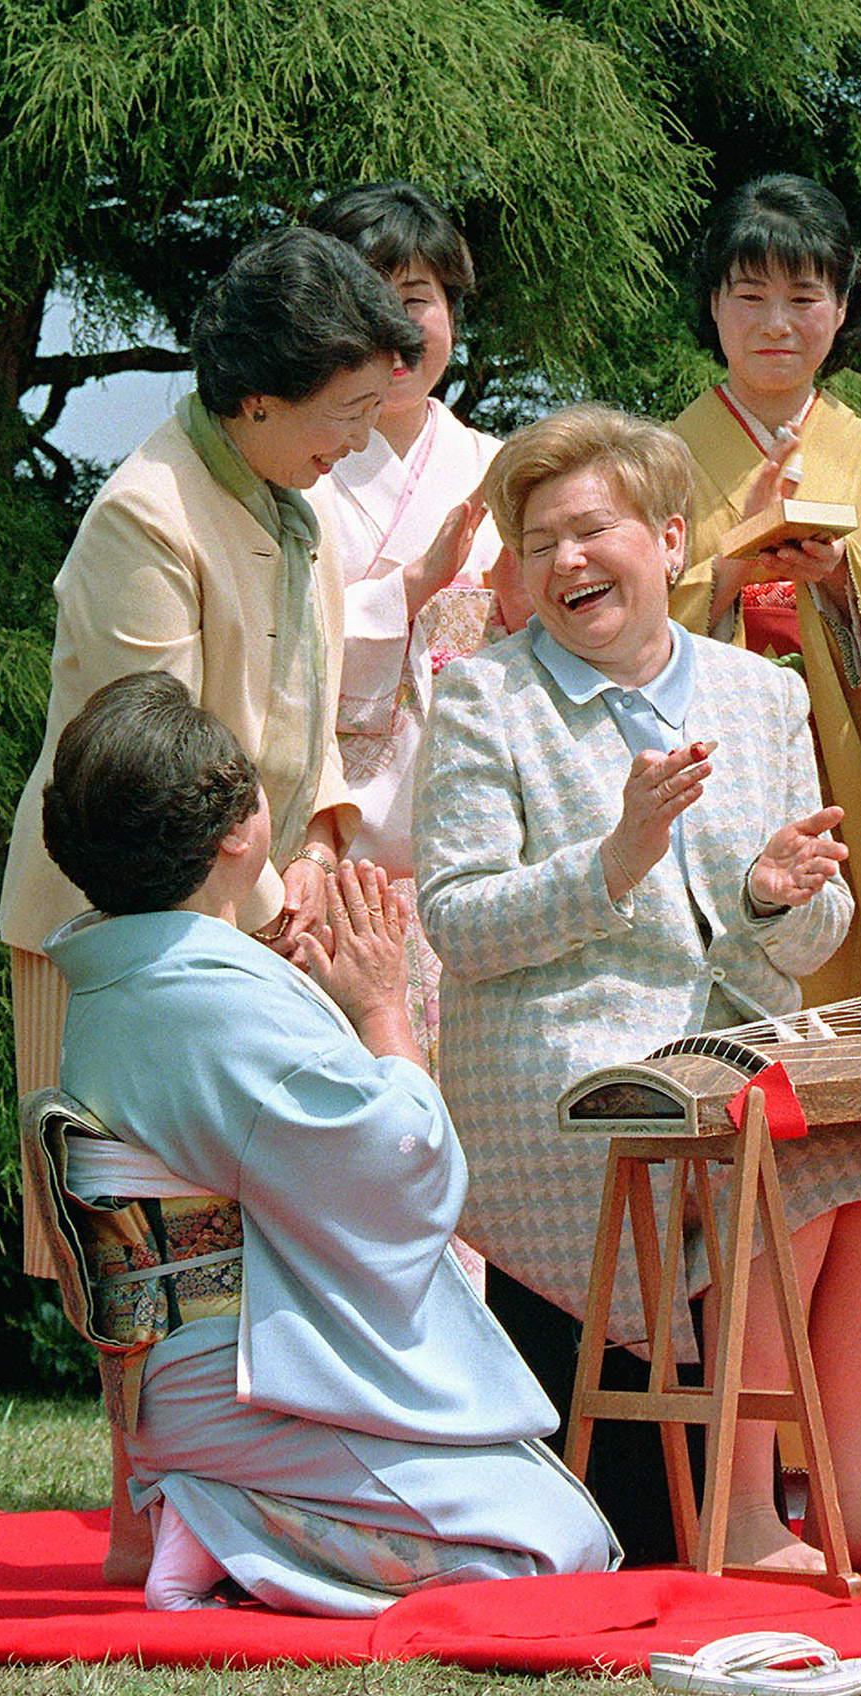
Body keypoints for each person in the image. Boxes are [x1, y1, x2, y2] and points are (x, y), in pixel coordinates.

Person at [416, 403, 861, 1576]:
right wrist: (612, 860)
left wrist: (778, 897)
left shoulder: (757, 694)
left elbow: (812, 927)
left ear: (670, 542)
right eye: (538, 542)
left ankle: (846, 1499)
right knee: (786, 1165)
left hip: (724, 1049)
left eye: (592, 529)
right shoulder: (484, 696)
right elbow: (457, 926)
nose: (566, 560)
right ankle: (743, 1510)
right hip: (557, 1067)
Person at [0, 224, 422, 1576]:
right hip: (125, 927)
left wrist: (309, 859)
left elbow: (308, 730)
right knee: (134, 1217)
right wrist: (259, 895)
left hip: (244, 906)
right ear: (256, 399)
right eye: (345, 411)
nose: (359, 439)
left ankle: (235, 1499)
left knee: (240, 1222)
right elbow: (147, 766)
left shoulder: (285, 494)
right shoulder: (149, 511)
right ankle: (146, 1509)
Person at [32, 670, 617, 1615]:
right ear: (237, 831)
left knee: (539, 1502)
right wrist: (383, 1006)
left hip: (200, 1373)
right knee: (554, 1547)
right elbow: (405, 1175)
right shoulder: (212, 1000)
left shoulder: (126, 973)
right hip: (246, 1388)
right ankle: (221, 1520)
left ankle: (206, 1504)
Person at [669, 173, 861, 1517]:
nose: (776, 320)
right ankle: (734, 1457)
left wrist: (853, 592)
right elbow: (613, 614)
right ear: (713, 303)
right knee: (747, 1125)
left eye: (804, 293)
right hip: (726, 831)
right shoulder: (661, 456)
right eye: (750, 292)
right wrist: (717, 578)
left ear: (844, 307)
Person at [307, 183, 519, 1071]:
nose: (397, 333)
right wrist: (410, 589)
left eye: (417, 302)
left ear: (452, 315)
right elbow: (286, 648)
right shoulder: (298, 469)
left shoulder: (500, 466)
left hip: (477, 855)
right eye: (369, 303)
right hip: (333, 854)